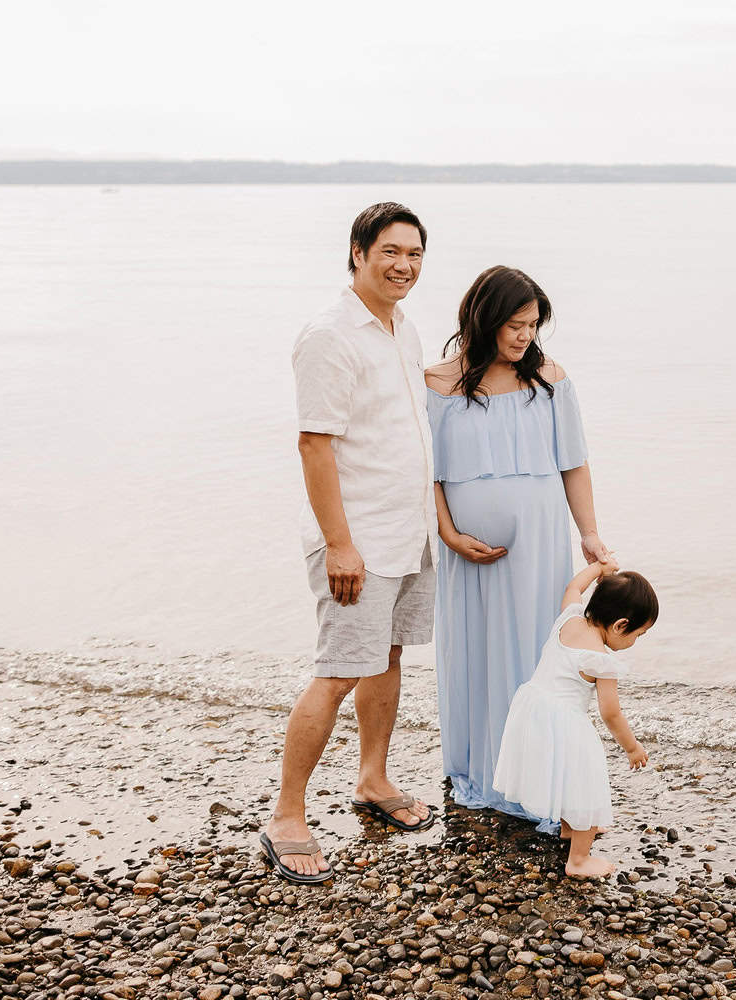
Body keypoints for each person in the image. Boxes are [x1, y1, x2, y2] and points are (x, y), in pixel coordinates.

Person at [260, 203, 436, 885]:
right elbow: (315, 442)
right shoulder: (331, 335)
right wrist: (339, 543)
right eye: (391, 252)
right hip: (355, 537)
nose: (404, 266)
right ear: (358, 253)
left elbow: (408, 419)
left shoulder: (403, 328)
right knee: (337, 671)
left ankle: (373, 778)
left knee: (385, 656)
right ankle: (286, 816)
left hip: (406, 530)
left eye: (416, 254)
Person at [425, 266, 614, 828]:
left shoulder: (549, 379)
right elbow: (426, 474)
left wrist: (590, 534)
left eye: (533, 325)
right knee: (477, 655)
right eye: (513, 324)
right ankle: (482, 768)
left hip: (537, 544)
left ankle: (536, 776)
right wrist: (448, 532)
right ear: (481, 320)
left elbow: (574, 463)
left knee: (534, 657)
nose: (524, 336)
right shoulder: (436, 383)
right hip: (466, 551)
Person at [493, 562, 657, 877]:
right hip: (566, 722)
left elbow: (573, 587)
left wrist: (599, 567)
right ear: (621, 625)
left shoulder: (568, 619)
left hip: (532, 710)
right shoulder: (601, 659)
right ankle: (578, 860)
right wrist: (632, 747)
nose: (636, 641)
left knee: (567, 777)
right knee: (585, 783)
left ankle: (570, 829)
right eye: (639, 634)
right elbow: (611, 713)